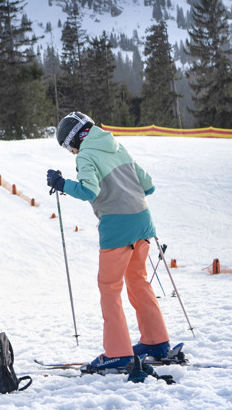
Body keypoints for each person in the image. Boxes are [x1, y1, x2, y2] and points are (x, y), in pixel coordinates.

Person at [46, 111, 170, 371]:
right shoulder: (117, 146)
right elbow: (148, 186)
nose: (71, 152)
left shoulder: (86, 155)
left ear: (76, 138)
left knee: (109, 287)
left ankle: (117, 353)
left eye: (69, 147)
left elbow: (89, 191)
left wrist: (61, 183)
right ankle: (156, 341)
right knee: (138, 280)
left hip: (117, 227)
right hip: (143, 223)